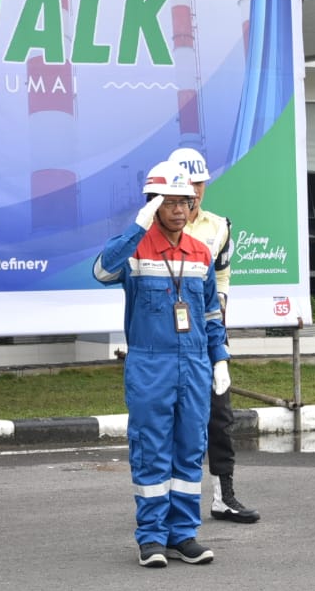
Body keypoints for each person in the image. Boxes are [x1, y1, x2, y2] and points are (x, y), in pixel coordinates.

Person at [94, 160, 230, 567]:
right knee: (152, 449)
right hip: (150, 365)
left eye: (184, 202)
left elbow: (209, 314)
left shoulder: (201, 252)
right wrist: (137, 227)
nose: (178, 210)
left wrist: (219, 359)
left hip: (193, 363)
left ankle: (183, 535)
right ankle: (151, 537)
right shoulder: (135, 249)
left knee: (190, 449)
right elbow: (102, 271)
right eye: (168, 203)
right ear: (153, 205)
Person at [168, 146, 258, 523]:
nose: (196, 190)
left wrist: (218, 320)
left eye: (200, 182)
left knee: (219, 415)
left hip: (206, 332)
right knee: (171, 419)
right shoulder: (162, 224)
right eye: (189, 182)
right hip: (167, 337)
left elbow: (222, 275)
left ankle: (224, 495)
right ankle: (168, 502)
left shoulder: (219, 226)